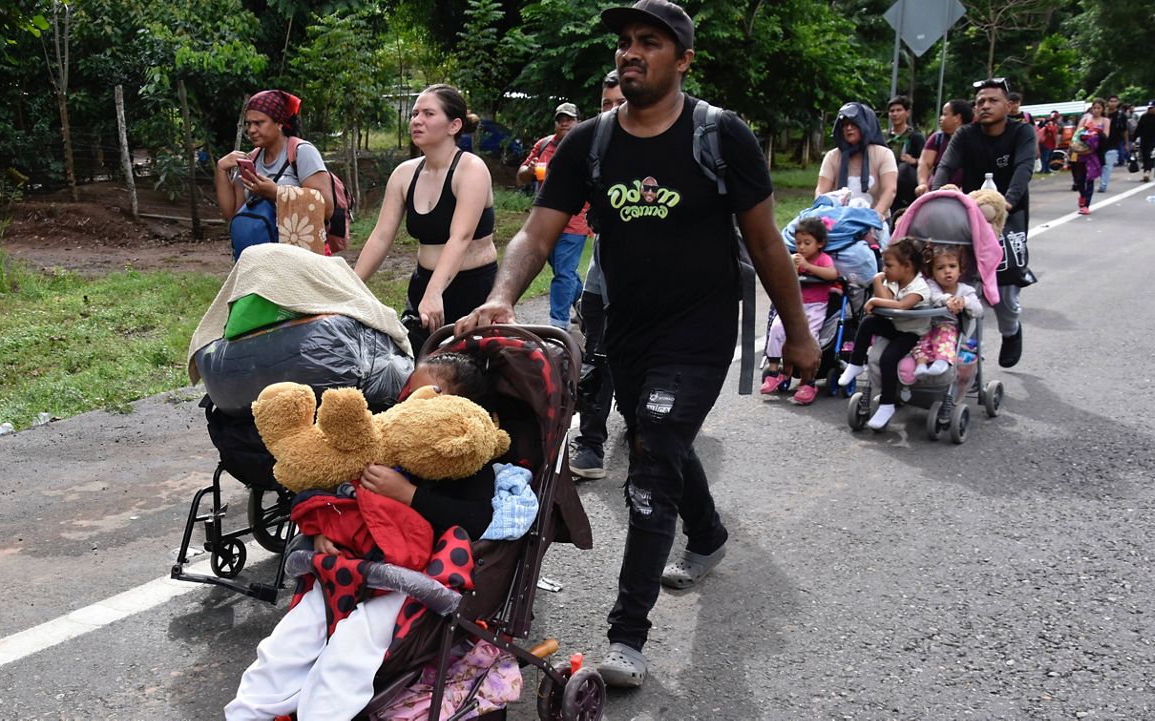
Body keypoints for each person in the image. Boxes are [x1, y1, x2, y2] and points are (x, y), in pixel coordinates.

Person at [455, 0, 820, 690]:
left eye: (649, 42)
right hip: (626, 328)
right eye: (625, 42)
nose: (631, 52)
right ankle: (707, 534)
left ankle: (627, 635)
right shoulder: (588, 143)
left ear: (682, 59)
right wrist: (503, 294)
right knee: (659, 435)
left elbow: (768, 240)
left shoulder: (721, 136)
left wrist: (797, 332)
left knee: (650, 455)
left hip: (704, 327)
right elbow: (537, 232)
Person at [224, 353, 496, 721]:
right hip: (349, 563)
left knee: (352, 647)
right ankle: (247, 713)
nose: (410, 402)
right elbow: (326, 486)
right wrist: (320, 529)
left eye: (429, 394)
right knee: (291, 637)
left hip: (410, 578)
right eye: (408, 393)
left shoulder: (466, 463)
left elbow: (475, 520)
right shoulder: (381, 442)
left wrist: (409, 495)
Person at [355, 85, 498, 355]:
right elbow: (381, 237)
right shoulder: (404, 174)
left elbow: (461, 237)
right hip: (423, 284)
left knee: (472, 378)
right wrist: (351, 285)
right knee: (414, 370)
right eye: (415, 113)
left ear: (454, 125)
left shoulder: (471, 169)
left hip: (474, 289)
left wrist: (435, 293)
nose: (417, 120)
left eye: (429, 114)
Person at [931, 78, 1037, 369]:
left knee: (1004, 288)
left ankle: (1011, 330)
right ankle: (960, 352)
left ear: (1008, 105)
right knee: (957, 279)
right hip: (968, 214)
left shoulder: (1022, 132)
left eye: (993, 100)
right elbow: (946, 167)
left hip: (1008, 216)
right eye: (980, 102)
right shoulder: (965, 134)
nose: (986, 106)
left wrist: (1007, 202)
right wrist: (936, 196)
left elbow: (1023, 169)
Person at [569, 70, 626, 481]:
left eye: (619, 103)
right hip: (600, 280)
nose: (611, 113)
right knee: (596, 359)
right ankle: (590, 445)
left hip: (656, 290)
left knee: (642, 366)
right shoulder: (595, 149)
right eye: (605, 105)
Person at [836, 238, 932, 429]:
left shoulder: (920, 287)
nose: (884, 269)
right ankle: (856, 364)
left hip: (912, 334)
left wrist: (875, 302)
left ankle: (887, 404)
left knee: (888, 359)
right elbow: (884, 298)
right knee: (869, 322)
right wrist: (877, 280)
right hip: (896, 328)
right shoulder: (896, 282)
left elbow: (902, 306)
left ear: (907, 266)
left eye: (888, 265)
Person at [215, 89, 334, 242]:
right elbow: (232, 213)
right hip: (258, 257)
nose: (251, 130)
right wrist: (221, 169)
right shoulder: (252, 159)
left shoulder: (302, 153)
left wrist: (276, 192)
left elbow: (326, 208)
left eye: (259, 123)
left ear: (279, 123)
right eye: (248, 124)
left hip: (298, 256)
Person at [517, 103, 590, 331]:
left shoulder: (586, 144)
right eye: (561, 119)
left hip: (575, 222)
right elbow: (521, 177)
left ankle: (558, 326)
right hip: (546, 222)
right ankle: (586, 305)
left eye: (570, 119)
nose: (565, 123)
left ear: (579, 122)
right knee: (562, 271)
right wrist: (528, 171)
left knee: (564, 273)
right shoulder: (544, 144)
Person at [760, 217, 838, 405]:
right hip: (795, 305)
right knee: (777, 329)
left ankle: (807, 381)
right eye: (798, 243)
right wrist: (794, 268)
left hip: (816, 306)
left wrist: (808, 267)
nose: (801, 247)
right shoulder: (795, 258)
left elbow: (832, 274)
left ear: (820, 243)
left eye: (807, 243)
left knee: (809, 336)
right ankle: (774, 371)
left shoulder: (823, 259)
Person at [897, 244, 983, 384]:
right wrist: (948, 300)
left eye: (952, 266)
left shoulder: (966, 290)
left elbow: (978, 310)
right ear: (932, 273)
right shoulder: (930, 285)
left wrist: (965, 302)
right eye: (940, 268)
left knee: (944, 330)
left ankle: (941, 360)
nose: (947, 271)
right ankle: (921, 365)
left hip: (952, 330)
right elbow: (934, 296)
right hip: (928, 326)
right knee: (919, 338)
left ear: (960, 270)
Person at [816, 102, 897, 222]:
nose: (849, 128)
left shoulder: (883, 154)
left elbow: (890, 190)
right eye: (845, 125)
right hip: (838, 221)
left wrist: (874, 217)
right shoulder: (832, 156)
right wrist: (823, 215)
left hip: (875, 222)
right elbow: (821, 191)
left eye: (854, 124)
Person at [916, 99, 973, 196]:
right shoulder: (937, 137)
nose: (941, 118)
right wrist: (922, 184)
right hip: (936, 192)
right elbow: (925, 162)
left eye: (945, 114)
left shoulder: (973, 138)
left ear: (957, 117)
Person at [885, 95, 925, 214]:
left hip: (907, 186)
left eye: (899, 110)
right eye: (892, 111)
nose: (895, 114)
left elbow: (927, 163)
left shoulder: (915, 137)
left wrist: (914, 161)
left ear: (907, 113)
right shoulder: (884, 137)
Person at [1071, 100, 1106, 215]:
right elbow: (1077, 134)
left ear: (1102, 109)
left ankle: (1086, 205)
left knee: (1090, 179)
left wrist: (1095, 136)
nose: (1096, 110)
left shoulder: (1105, 121)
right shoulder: (1086, 119)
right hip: (1081, 153)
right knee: (1080, 179)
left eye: (1099, 108)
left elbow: (1106, 137)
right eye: (1094, 108)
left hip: (1094, 154)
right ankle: (1082, 195)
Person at [1100, 94, 1127, 192]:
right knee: (1099, 164)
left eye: (1115, 101)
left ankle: (1103, 185)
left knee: (1107, 166)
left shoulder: (1121, 115)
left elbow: (1124, 130)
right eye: (1111, 101)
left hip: (1114, 143)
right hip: (1100, 143)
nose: (1113, 103)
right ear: (1107, 102)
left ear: (1118, 102)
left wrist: (1126, 143)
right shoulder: (1102, 114)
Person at [1036, 110, 1062, 174]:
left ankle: (1047, 170)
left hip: (1050, 144)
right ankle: (1043, 170)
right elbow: (1053, 132)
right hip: (1046, 144)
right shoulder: (1049, 124)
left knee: (1049, 158)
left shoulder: (1054, 124)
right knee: (1044, 158)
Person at [1137, 100, 1155, 183]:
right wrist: (1134, 140)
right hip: (1144, 140)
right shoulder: (1144, 117)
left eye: (1152, 108)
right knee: (1144, 156)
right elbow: (1138, 129)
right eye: (1149, 108)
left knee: (1151, 156)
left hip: (1153, 141)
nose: (1150, 109)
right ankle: (1146, 172)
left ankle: (1148, 171)